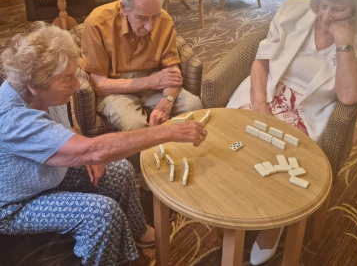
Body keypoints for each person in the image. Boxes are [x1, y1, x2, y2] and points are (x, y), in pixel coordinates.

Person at [0, 23, 207, 266]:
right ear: (34, 86)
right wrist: (167, 132)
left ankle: (136, 231)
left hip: (47, 172)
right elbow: (95, 149)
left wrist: (84, 151)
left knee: (121, 170)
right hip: (17, 203)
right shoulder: (13, 118)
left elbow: (67, 127)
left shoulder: (44, 89)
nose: (76, 85)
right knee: (100, 214)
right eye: (68, 79)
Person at [227, 0, 357, 265]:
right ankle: (235, 197)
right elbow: (260, 63)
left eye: (338, 10)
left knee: (285, 162)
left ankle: (275, 221)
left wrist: (345, 44)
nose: (326, 16)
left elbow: (349, 96)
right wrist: (260, 104)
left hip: (311, 109)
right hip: (267, 91)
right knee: (235, 138)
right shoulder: (292, 10)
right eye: (322, 4)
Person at [79, 0, 203, 132]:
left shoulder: (165, 21)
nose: (150, 26)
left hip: (154, 86)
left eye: (155, 16)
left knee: (195, 107)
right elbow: (100, 85)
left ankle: (178, 155)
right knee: (135, 126)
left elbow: (171, 71)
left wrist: (168, 99)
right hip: (115, 89)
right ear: (124, 8)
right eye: (142, 17)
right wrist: (151, 81)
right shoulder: (97, 23)